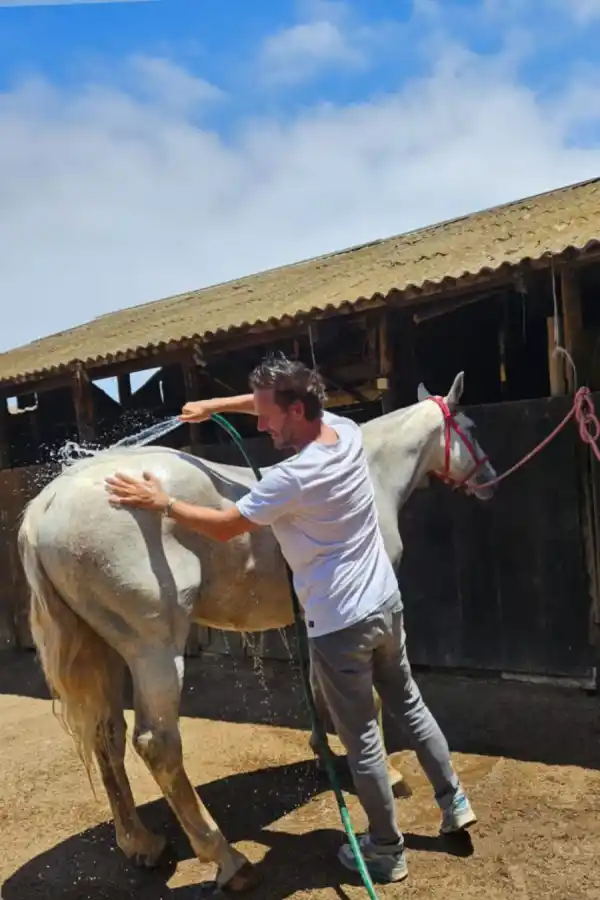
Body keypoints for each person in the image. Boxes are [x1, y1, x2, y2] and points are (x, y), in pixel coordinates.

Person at [105, 353, 476, 885]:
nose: (261, 426)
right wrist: (215, 405)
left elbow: (224, 526)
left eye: (268, 417)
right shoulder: (345, 432)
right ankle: (454, 801)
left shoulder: (293, 478)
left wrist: (162, 503)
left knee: (363, 742)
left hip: (340, 626)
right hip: (384, 607)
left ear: (297, 410)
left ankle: (386, 851)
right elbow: (280, 399)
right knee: (411, 705)